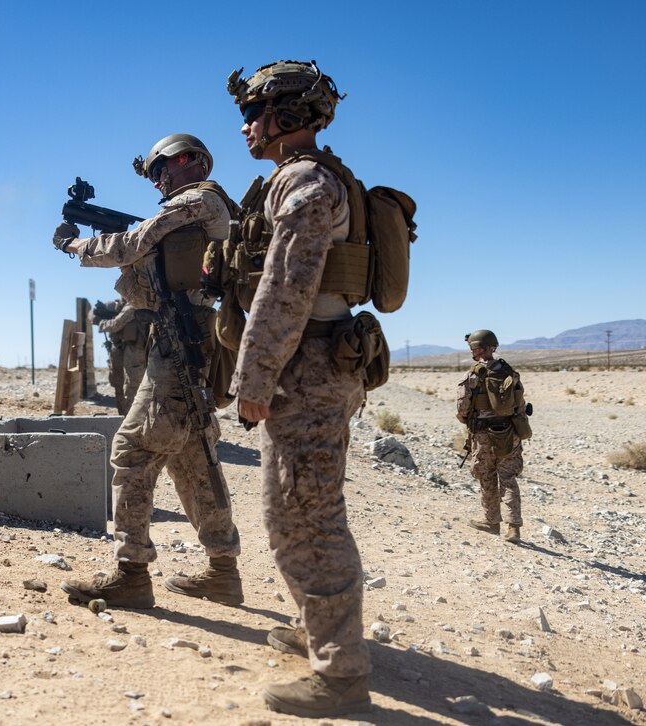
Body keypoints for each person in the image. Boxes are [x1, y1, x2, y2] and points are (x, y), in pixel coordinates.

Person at [225, 60, 375, 717]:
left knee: (310, 516)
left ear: (288, 116)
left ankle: (340, 673)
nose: (244, 127)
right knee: (290, 512)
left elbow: (285, 289)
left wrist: (254, 377)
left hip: (308, 366)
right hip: (311, 364)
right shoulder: (299, 178)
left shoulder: (307, 183)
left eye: (252, 113)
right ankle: (320, 632)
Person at [53, 134, 244, 609]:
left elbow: (132, 243)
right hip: (189, 335)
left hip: (181, 339)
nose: (158, 180)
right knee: (193, 457)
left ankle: (131, 574)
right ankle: (223, 572)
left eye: (164, 169)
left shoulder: (199, 200)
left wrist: (75, 244)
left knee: (133, 449)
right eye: (155, 173)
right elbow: (148, 262)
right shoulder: (209, 208)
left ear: (191, 161)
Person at [457, 329, 530, 544]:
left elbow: (462, 409)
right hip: (509, 433)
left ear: (477, 349)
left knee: (487, 477)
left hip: (483, 435)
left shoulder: (472, 376)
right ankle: (513, 528)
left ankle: (491, 522)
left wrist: (470, 421)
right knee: (508, 478)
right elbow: (520, 405)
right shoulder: (510, 373)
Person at [94, 297, 150, 415]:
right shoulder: (123, 304)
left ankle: (132, 419)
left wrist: (101, 322)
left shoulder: (133, 305)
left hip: (135, 352)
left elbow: (115, 325)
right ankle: (124, 417)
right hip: (125, 351)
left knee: (132, 388)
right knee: (119, 385)